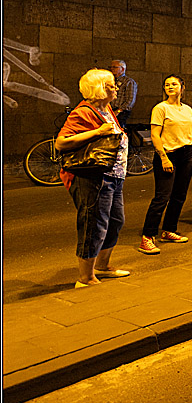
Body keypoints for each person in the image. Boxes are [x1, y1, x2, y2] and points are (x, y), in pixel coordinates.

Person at [57, 68, 130, 287]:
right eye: (111, 84)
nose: (116, 87)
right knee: (93, 224)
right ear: (99, 88)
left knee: (116, 221)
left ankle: (103, 265)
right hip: (94, 177)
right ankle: (85, 277)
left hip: (113, 176)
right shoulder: (84, 112)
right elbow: (61, 143)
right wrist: (97, 132)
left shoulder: (106, 109)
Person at [139, 75, 192, 255]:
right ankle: (147, 237)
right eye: (167, 84)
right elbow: (155, 135)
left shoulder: (187, 109)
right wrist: (163, 157)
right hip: (168, 154)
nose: (170, 87)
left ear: (182, 86)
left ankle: (169, 230)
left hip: (186, 154)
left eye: (174, 84)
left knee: (179, 195)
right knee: (162, 197)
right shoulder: (161, 108)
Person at [108, 59, 138, 125]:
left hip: (121, 112)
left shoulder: (129, 82)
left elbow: (130, 100)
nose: (112, 69)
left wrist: (118, 111)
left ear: (122, 69)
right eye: (110, 67)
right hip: (109, 110)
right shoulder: (111, 80)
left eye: (114, 67)